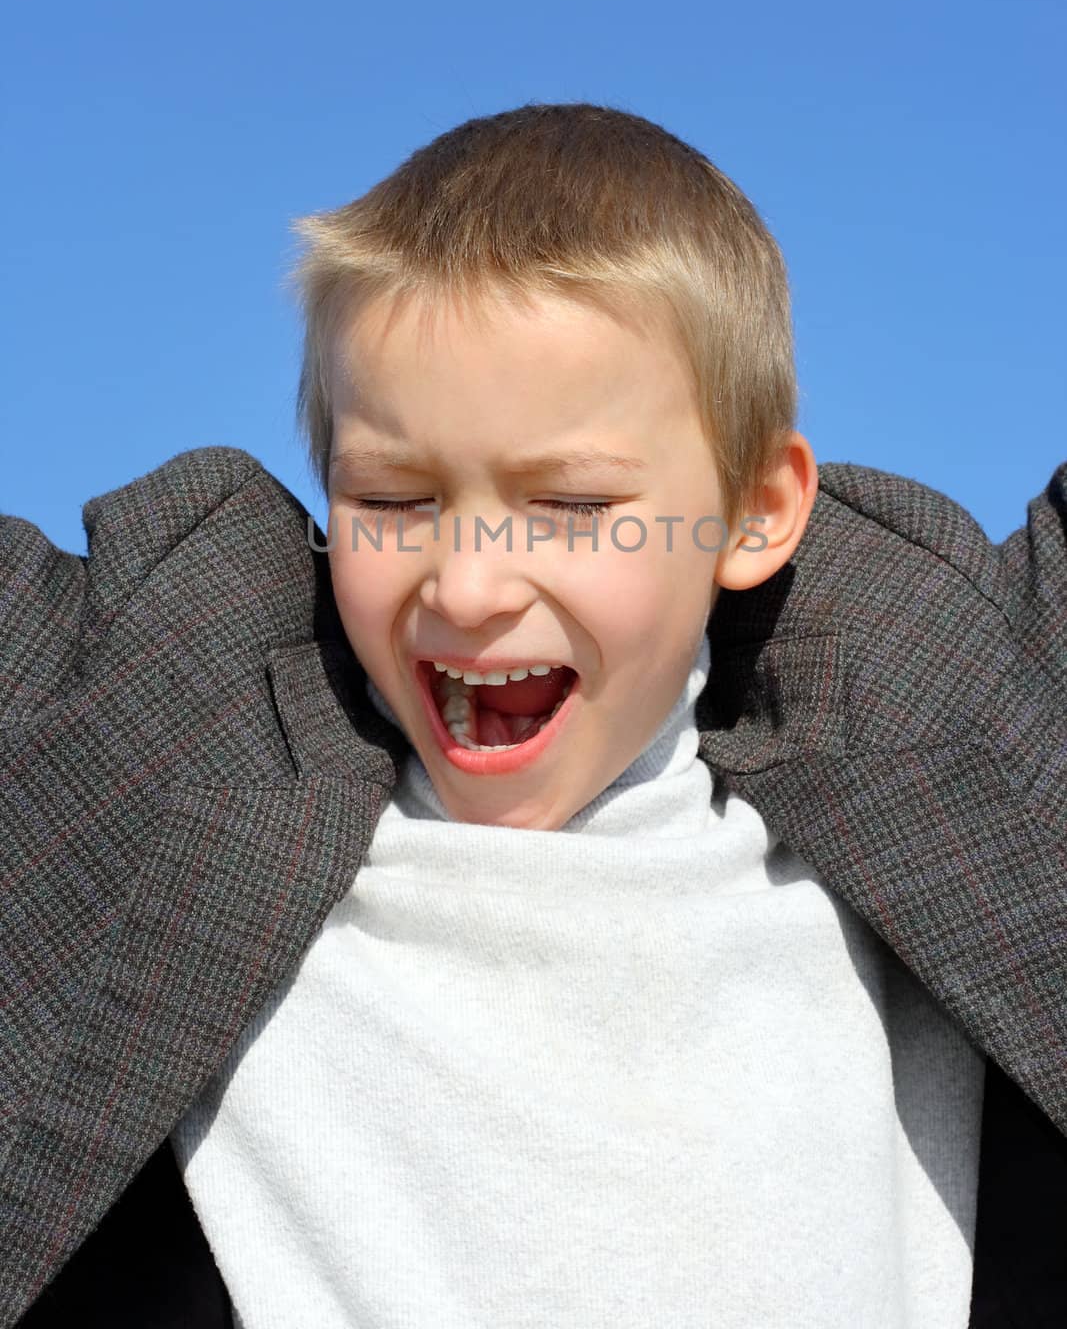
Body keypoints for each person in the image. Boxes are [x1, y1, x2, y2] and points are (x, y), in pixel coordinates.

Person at [2, 103, 1064, 1327]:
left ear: (755, 508)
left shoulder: (957, 757)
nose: (464, 586)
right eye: (391, 498)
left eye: (565, 503)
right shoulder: (157, 755)